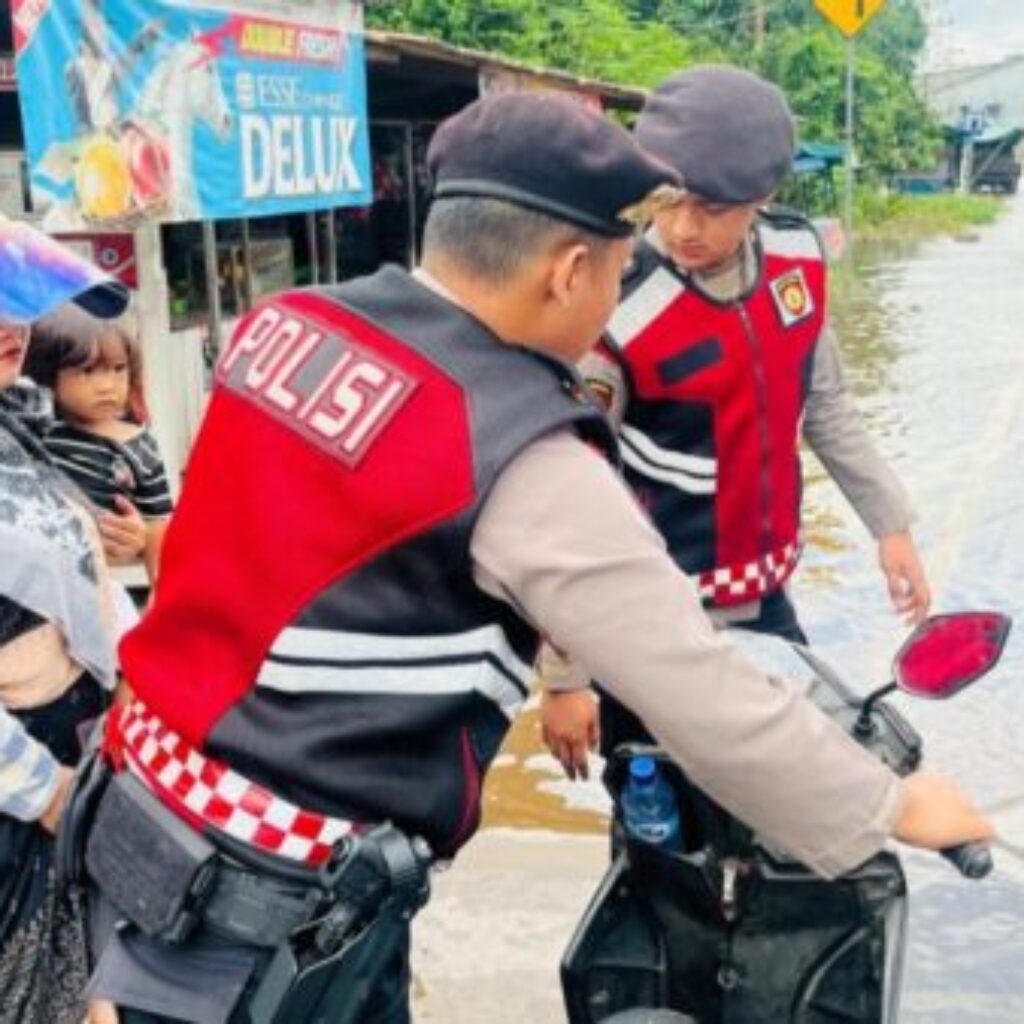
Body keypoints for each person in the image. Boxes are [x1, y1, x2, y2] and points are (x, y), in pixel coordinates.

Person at [78, 93, 990, 1024]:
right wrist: (895, 808)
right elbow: (699, 690)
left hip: (133, 822)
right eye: (619, 268)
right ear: (569, 272)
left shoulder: (288, 325)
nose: (620, 295)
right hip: (270, 906)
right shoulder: (516, 445)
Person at [541, 66, 933, 775]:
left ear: (764, 196)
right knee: (661, 822)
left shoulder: (796, 262)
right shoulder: (614, 305)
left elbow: (827, 403)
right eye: (671, 202)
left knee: (800, 788)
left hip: (764, 598)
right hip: (649, 618)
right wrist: (564, 676)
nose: (686, 228)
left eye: (715, 208)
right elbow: (568, 494)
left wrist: (891, 526)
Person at [0, 214, 128, 1024]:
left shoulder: (21, 429)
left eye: (17, 308)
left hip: (72, 763)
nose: (13, 331)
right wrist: (41, 788)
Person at [24, 307, 173, 583]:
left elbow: (158, 523)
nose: (107, 386)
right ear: (51, 374)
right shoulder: (36, 431)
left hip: (105, 581)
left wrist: (159, 589)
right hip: (41, 580)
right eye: (88, 370)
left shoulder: (139, 445)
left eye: (119, 369)